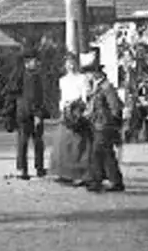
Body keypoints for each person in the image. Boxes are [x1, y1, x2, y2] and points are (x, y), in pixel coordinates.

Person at [50, 53, 93, 186]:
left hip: (78, 111)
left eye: (73, 63)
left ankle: (80, 174)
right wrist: (63, 108)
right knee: (63, 143)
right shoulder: (62, 80)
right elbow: (62, 96)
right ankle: (63, 172)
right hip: (66, 112)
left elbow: (85, 95)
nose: (71, 65)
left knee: (78, 143)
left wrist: (81, 109)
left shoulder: (82, 78)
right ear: (65, 65)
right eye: (68, 63)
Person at [85, 58, 125, 192]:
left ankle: (98, 181)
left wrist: (112, 123)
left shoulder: (106, 86)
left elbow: (115, 106)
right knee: (106, 153)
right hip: (97, 123)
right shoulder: (96, 86)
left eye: (90, 72)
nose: (88, 75)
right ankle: (114, 180)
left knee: (98, 152)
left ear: (96, 73)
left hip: (104, 124)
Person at [13, 50, 49, 179]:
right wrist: (37, 114)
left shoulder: (19, 75)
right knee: (36, 141)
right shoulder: (32, 76)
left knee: (23, 141)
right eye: (34, 61)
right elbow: (33, 97)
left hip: (22, 111)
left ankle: (23, 168)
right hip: (30, 112)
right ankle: (37, 168)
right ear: (27, 63)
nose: (37, 63)